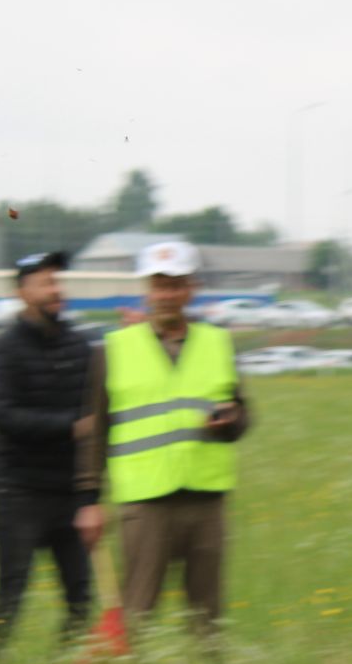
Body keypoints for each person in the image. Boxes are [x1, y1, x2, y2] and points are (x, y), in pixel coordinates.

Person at [75, 240, 249, 634]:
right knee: (136, 614)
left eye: (176, 284)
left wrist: (233, 419)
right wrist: (89, 499)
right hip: (145, 502)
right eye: (159, 284)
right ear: (147, 290)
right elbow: (95, 430)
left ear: (191, 288)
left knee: (207, 621)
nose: (167, 294)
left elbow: (243, 412)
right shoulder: (113, 349)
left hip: (206, 499)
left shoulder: (218, 344)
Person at [0, 251, 95, 651]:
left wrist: (91, 499)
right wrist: (70, 426)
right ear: (22, 292)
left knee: (82, 597)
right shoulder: (3, 351)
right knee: (10, 593)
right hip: (20, 493)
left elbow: (96, 417)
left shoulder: (81, 348)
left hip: (70, 493)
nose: (56, 289)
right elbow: (4, 416)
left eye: (58, 281)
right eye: (46, 282)